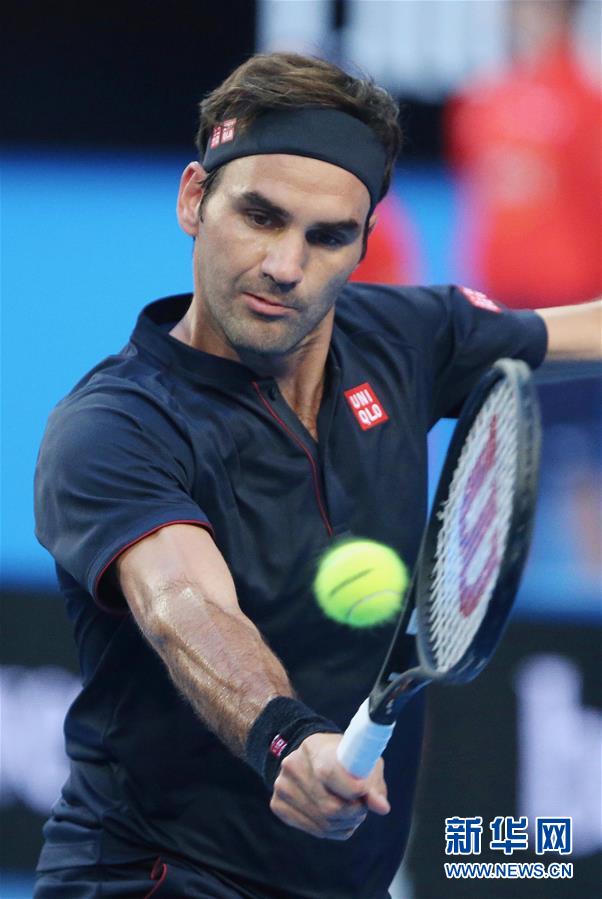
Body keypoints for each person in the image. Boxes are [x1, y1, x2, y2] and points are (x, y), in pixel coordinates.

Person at [33, 52, 601, 899]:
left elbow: (587, 331)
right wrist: (286, 738)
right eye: (260, 216)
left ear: (364, 243)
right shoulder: (115, 426)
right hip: (157, 878)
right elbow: (186, 605)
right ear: (194, 199)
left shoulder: (404, 339)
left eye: (328, 235)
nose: (286, 265)